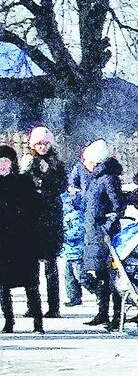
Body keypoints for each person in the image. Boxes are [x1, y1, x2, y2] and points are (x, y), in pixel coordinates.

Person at [20, 126, 67, 318]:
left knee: (50, 265)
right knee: (29, 266)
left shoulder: (56, 163)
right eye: (38, 143)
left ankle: (54, 307)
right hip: (31, 217)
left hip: (50, 218)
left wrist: (48, 175)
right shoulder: (27, 162)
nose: (42, 147)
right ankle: (33, 305)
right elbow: (21, 186)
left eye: (45, 143)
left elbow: (62, 186)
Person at [80, 144, 125, 329]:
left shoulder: (108, 179)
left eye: (87, 160)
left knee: (109, 275)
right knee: (99, 275)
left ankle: (115, 316)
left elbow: (118, 206)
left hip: (104, 235)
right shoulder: (96, 179)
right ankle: (102, 312)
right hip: (94, 234)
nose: (85, 164)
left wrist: (107, 225)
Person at [0, 144, 43, 333]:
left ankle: (37, 322)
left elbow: (36, 208)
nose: (2, 165)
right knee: (3, 286)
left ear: (12, 163)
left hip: (23, 240)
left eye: (5, 161)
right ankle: (8, 322)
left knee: (31, 285)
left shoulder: (23, 182)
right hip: (2, 242)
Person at [60, 190, 85, 307]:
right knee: (69, 277)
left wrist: (63, 235)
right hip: (69, 251)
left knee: (80, 275)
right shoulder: (67, 216)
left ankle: (96, 290)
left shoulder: (76, 215)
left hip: (76, 251)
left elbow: (79, 231)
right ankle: (74, 297)